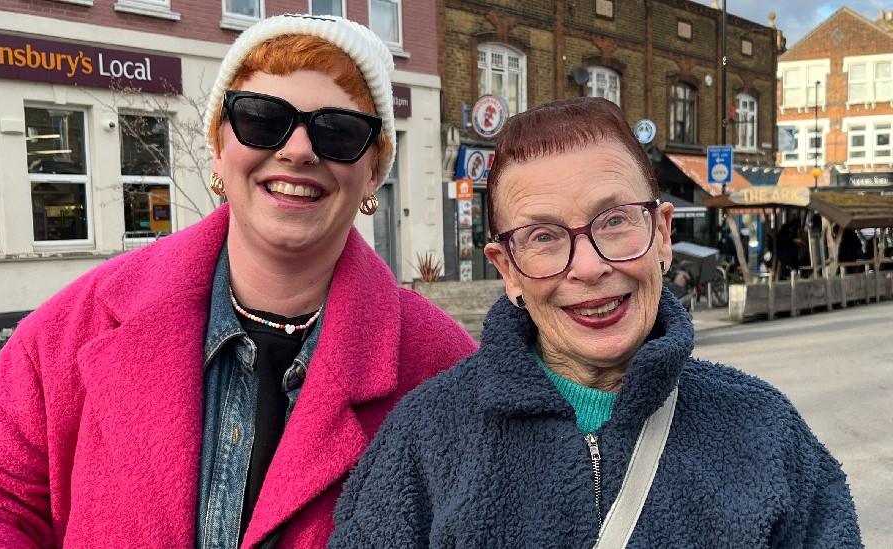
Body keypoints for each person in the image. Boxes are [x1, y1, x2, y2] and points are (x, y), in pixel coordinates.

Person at [0, 15, 476, 548]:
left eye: (340, 131)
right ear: (218, 144)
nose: (299, 150)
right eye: (261, 118)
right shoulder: (74, 328)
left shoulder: (445, 369)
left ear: (375, 170)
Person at [330, 98, 862, 548]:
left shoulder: (763, 430)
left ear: (661, 234)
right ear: (508, 270)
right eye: (542, 236)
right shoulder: (424, 442)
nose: (589, 266)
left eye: (614, 221)